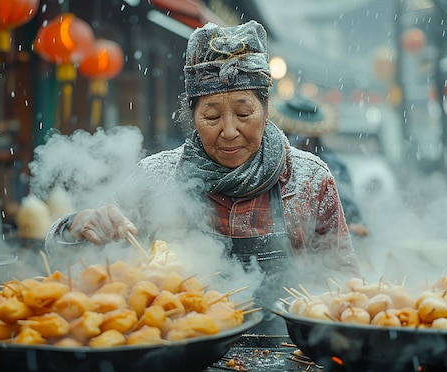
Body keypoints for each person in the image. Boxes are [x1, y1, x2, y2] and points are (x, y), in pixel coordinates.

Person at [45, 20, 362, 333]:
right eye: (211, 116)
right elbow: (73, 267)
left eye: (243, 114)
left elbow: (342, 287)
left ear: (266, 109)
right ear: (192, 116)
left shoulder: (308, 178)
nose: (229, 131)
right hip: (184, 354)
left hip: (286, 358)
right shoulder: (157, 177)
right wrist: (75, 226)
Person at [271, 95, 368, 237]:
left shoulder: (332, 164)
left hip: (320, 239)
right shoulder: (273, 159)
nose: (299, 140)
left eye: (303, 136)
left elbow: (346, 203)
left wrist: (353, 224)